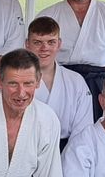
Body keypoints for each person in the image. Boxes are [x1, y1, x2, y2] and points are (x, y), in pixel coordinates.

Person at [26, 16, 92, 148]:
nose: (44, 48)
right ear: (27, 44)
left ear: (59, 44)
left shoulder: (76, 81)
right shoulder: (18, 80)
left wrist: (70, 162)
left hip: (67, 150)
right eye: (38, 42)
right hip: (26, 148)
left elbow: (83, 131)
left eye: (51, 42)